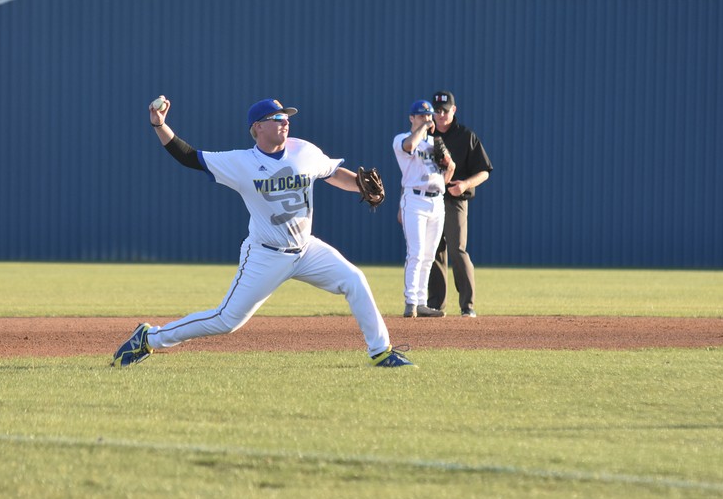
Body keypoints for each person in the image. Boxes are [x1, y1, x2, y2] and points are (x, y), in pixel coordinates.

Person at [111, 96, 414, 368]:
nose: (286, 122)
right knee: (226, 320)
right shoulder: (242, 162)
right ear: (258, 127)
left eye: (287, 117)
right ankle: (149, 338)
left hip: (306, 250)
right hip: (265, 255)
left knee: (354, 279)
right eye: (278, 118)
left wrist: (358, 185)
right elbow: (189, 157)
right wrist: (160, 125)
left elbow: (332, 172)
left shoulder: (304, 151)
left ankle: (381, 351)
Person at [426, 90, 493, 318]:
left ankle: (468, 306)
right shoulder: (426, 135)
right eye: (437, 110)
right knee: (434, 250)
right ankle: (435, 305)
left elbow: (484, 171)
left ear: (454, 110)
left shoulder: (466, 136)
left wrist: (464, 185)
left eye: (446, 110)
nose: (441, 115)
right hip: (429, 199)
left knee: (457, 249)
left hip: (455, 199)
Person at [393, 100, 455, 318]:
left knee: (429, 255)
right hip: (415, 199)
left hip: (437, 200)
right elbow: (409, 146)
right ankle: (411, 302)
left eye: (429, 116)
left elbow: (450, 168)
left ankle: (421, 302)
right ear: (412, 118)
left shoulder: (435, 142)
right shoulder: (401, 139)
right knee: (416, 252)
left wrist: (447, 169)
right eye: (421, 116)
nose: (427, 119)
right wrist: (423, 127)